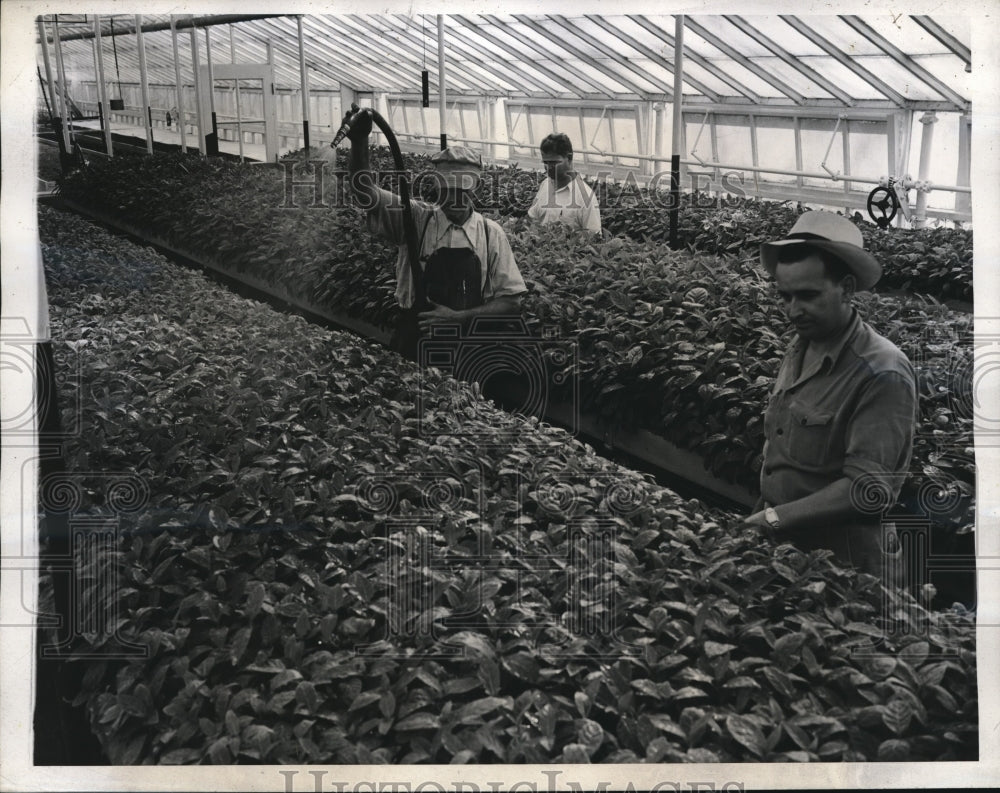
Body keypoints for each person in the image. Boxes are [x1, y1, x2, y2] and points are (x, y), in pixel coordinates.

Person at [742, 211, 917, 581]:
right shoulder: (803, 343)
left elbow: (867, 489)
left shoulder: (882, 371)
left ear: (848, 288)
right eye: (784, 296)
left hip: (845, 571)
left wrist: (773, 518)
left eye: (807, 295)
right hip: (788, 549)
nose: (792, 310)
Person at [344, 109, 527, 361]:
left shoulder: (490, 234)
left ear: (478, 188)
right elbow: (365, 192)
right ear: (435, 185)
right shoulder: (416, 219)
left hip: (468, 350)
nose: (452, 198)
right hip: (414, 343)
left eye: (461, 189)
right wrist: (359, 141)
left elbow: (512, 302)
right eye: (446, 189)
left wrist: (458, 317)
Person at [526, 133, 602, 236]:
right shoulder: (545, 185)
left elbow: (594, 240)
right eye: (546, 163)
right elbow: (533, 218)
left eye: (554, 162)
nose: (549, 168)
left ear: (569, 158)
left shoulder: (586, 197)